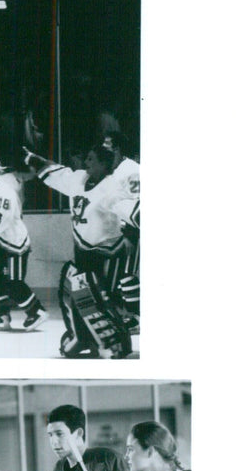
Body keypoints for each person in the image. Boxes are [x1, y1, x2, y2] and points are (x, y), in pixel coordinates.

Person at [25, 145, 131, 358]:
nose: (86, 163)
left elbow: (128, 210)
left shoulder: (112, 188)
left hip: (108, 252)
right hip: (83, 251)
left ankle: (115, 344)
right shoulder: (80, 179)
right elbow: (57, 174)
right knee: (79, 297)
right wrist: (30, 158)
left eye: (92, 159)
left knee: (105, 299)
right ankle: (84, 338)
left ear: (104, 164)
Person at [0, 156, 48, 331]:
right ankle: (1, 316)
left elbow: (5, 217)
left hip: (14, 243)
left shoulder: (5, 190)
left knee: (13, 281)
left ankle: (36, 312)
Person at [103, 131, 140, 327]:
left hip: (132, 230)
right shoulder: (113, 171)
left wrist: (132, 230)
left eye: (107, 144)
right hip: (117, 231)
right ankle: (125, 314)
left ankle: (134, 318)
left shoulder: (131, 170)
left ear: (117, 148)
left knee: (127, 274)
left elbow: (138, 203)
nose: (103, 147)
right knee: (117, 276)